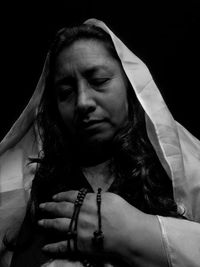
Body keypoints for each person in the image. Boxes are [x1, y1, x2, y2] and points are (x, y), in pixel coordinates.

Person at [0, 18, 200, 267]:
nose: (83, 102)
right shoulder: (32, 185)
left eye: (99, 81)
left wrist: (138, 233)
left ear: (131, 86)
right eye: (66, 92)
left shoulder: (179, 175)